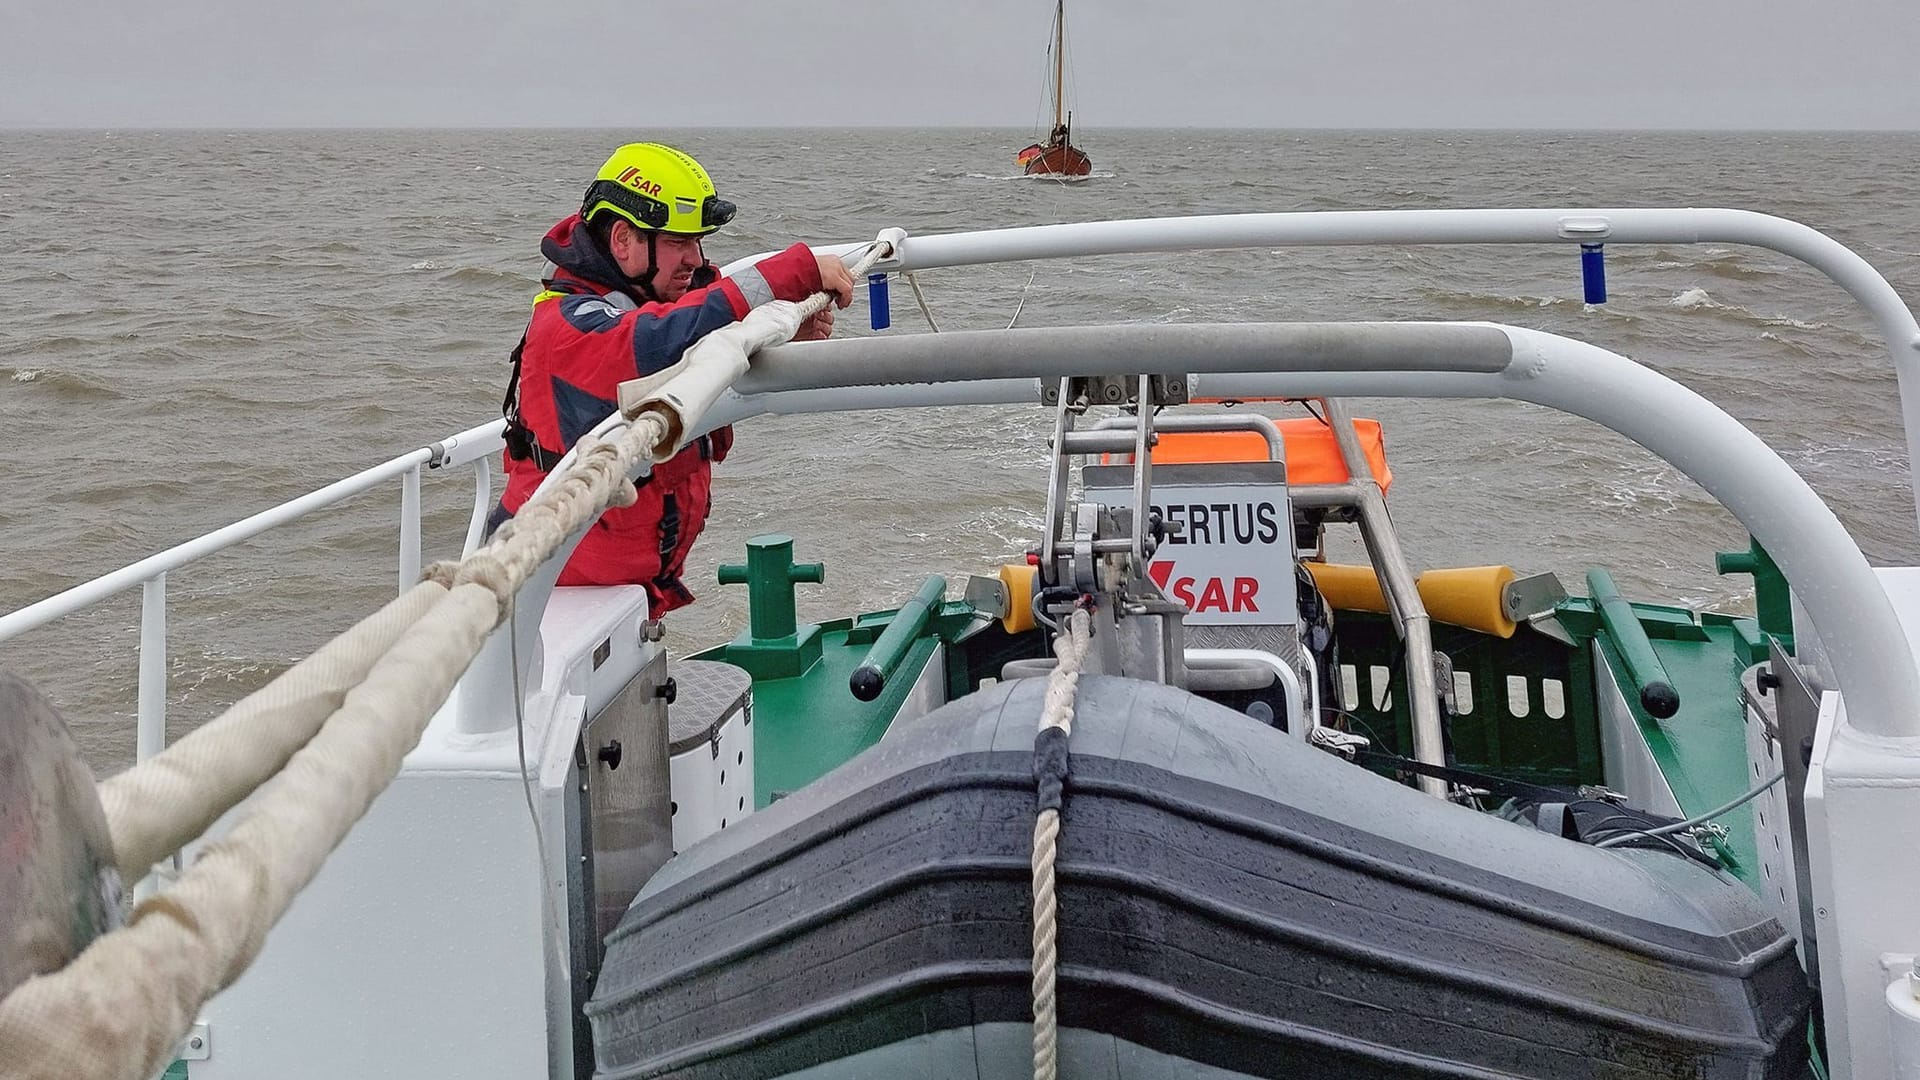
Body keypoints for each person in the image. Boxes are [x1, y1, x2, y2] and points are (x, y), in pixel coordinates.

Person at [493, 142, 853, 613]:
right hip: (547, 586)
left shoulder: (647, 301)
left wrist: (778, 329)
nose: (694, 258)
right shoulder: (569, 327)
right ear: (623, 240)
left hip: (612, 584)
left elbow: (695, 330)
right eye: (679, 243)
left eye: (698, 242)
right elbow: (654, 343)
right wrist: (795, 271)